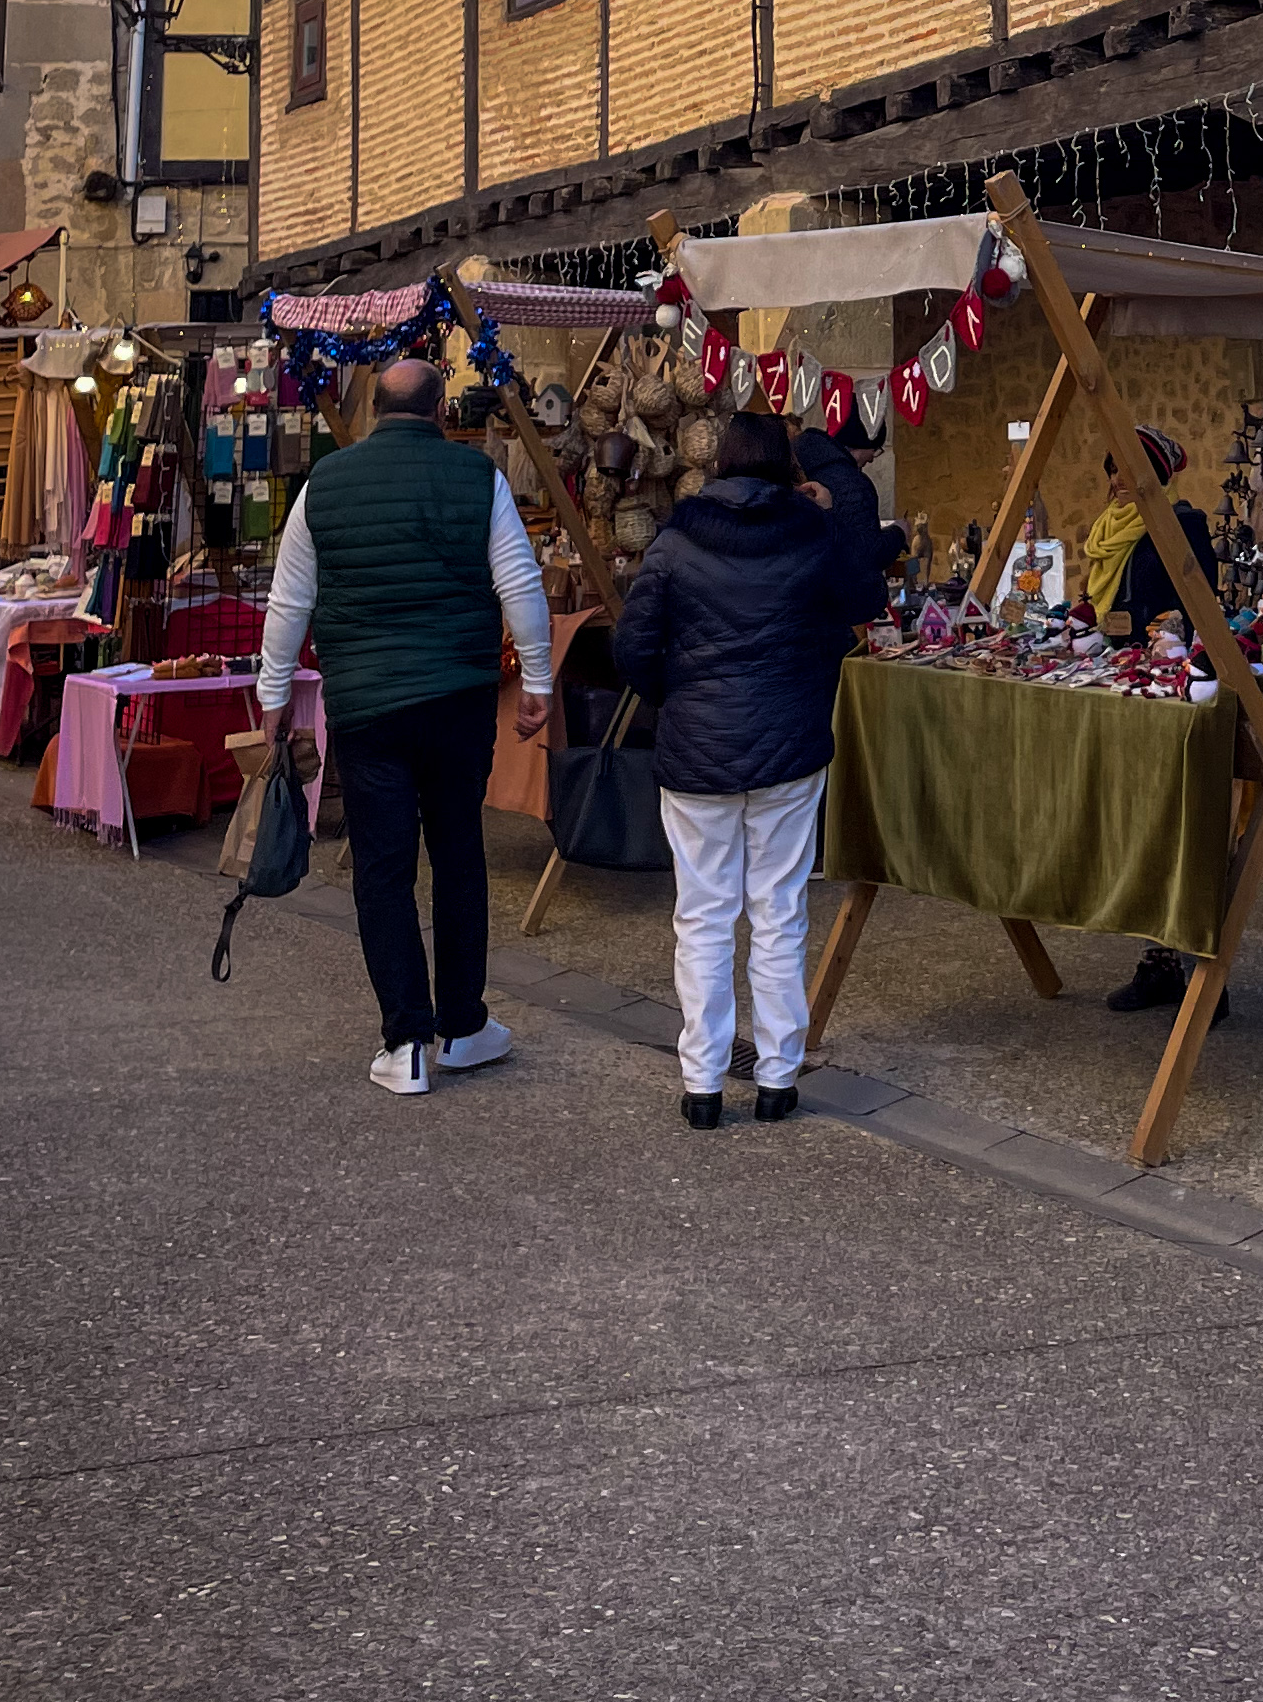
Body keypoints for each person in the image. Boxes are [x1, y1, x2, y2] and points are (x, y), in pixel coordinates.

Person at [255, 355, 554, 1099]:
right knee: (458, 854)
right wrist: (540, 682)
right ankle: (462, 1026)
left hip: (365, 706)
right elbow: (519, 579)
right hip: (457, 696)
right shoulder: (476, 476)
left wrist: (274, 694)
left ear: (374, 411)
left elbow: (289, 602)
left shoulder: (323, 484)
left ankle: (406, 1043)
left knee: (383, 868)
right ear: (440, 408)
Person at [614, 407, 880, 1130]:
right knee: (779, 910)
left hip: (696, 751)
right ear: (785, 469)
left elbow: (633, 648)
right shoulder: (814, 532)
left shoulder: (675, 539)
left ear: (720, 463)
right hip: (790, 745)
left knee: (701, 917)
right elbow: (868, 598)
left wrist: (682, 698)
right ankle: (777, 1076)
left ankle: (701, 1083)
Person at [1097, 433, 1231, 1023]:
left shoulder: (1183, 524)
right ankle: (1160, 961)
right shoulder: (1110, 529)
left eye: (1128, 472)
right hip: (1126, 686)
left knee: (1185, 827)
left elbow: (1202, 601)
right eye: (1111, 473)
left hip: (1174, 691)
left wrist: (1169, 643)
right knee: (1141, 827)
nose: (1116, 483)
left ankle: (1209, 974)